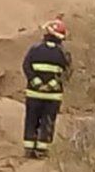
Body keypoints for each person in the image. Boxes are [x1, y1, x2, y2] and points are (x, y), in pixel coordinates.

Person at [22, 17, 72, 159]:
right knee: (48, 121)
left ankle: (29, 149)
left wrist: (37, 82)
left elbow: (26, 66)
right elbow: (67, 73)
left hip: (34, 93)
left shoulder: (34, 49)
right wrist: (51, 85)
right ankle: (42, 150)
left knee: (31, 120)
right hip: (53, 96)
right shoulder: (63, 53)